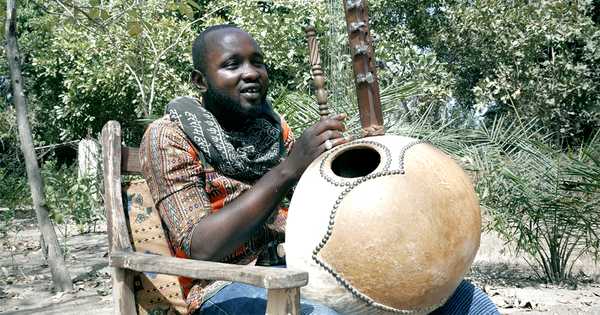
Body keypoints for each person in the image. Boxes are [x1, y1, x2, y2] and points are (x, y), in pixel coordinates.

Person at [140, 25, 499, 315]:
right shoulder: (168, 135)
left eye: (257, 62)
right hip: (226, 287)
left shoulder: (271, 129)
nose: (251, 73)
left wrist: (346, 162)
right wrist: (287, 170)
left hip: (307, 270)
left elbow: (316, 197)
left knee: (464, 301)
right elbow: (202, 246)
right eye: (232, 65)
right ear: (200, 81)